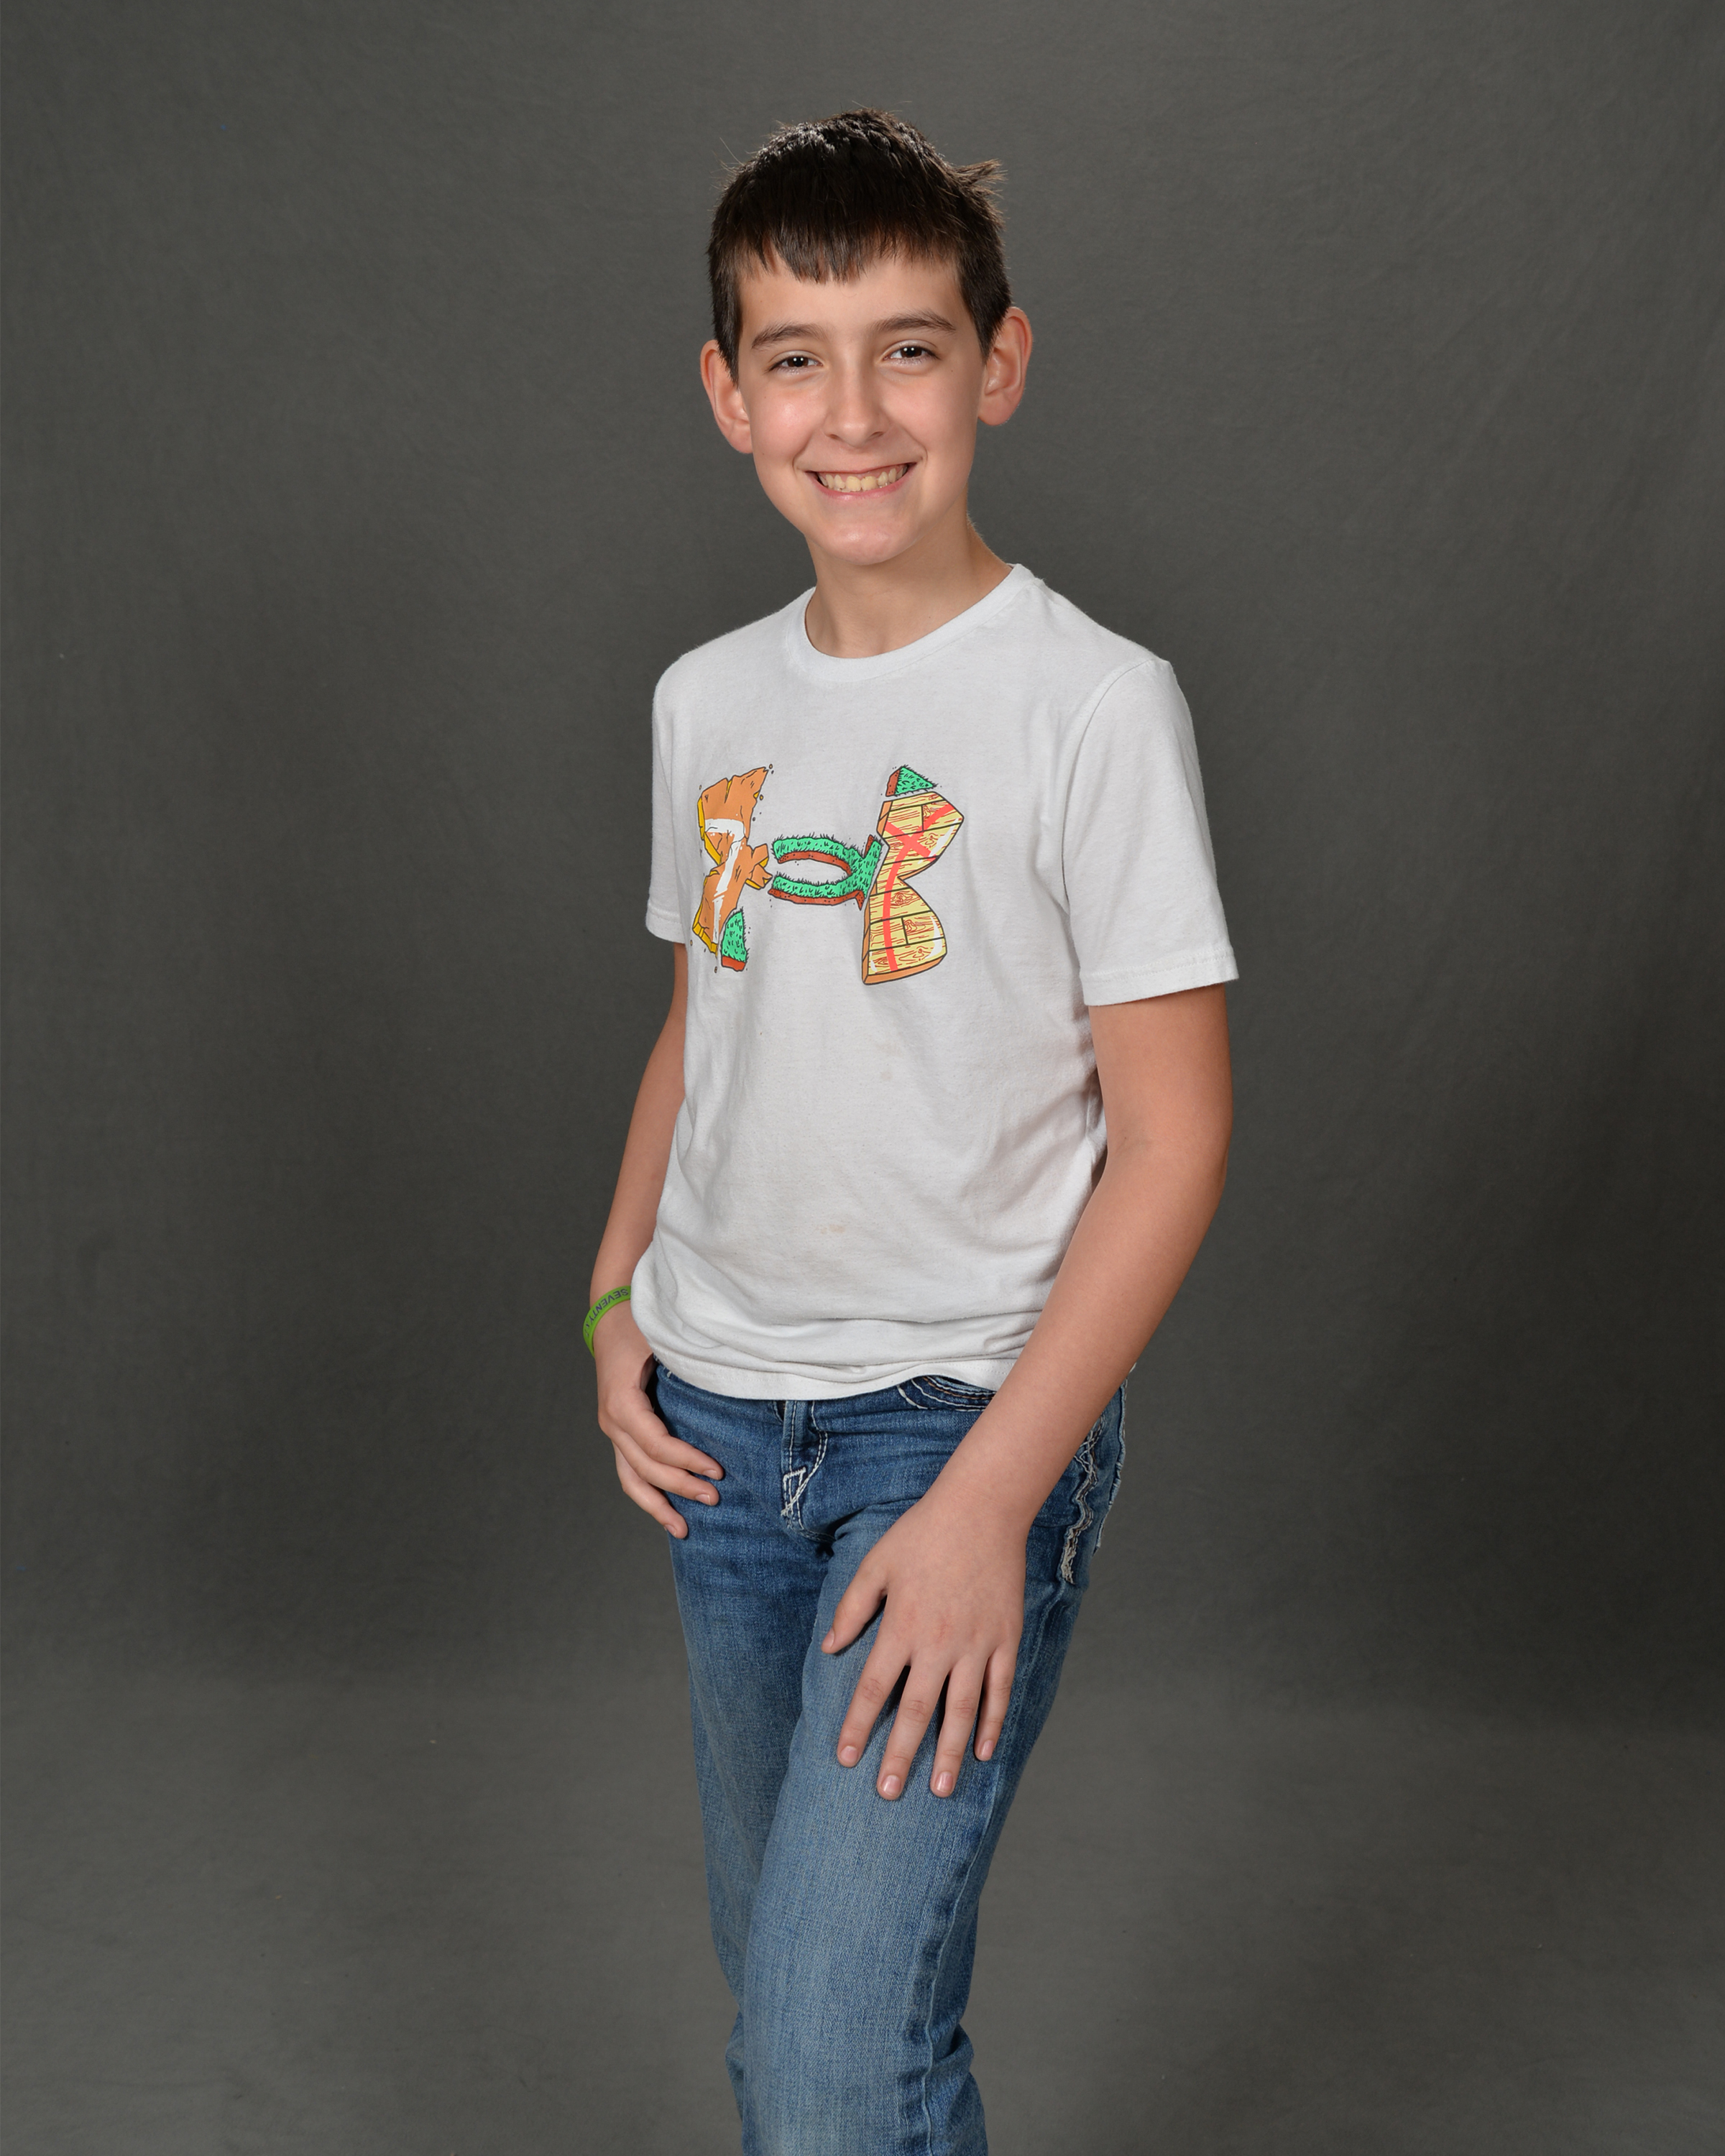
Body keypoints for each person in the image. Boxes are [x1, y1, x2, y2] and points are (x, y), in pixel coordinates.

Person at [586, 108, 1237, 2156]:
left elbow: (1175, 1141)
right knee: (813, 2002)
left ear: (999, 366)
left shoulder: (1092, 707)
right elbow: (699, 1028)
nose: (853, 414)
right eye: (798, 357)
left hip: (955, 1430)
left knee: (823, 2059)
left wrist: (982, 1508)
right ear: (729, 395)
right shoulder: (706, 701)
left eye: (910, 350)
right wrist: (613, 1300)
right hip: (718, 1431)